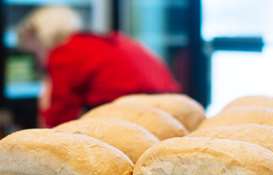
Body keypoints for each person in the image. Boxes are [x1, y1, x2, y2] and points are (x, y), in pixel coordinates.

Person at [18, 6, 181, 127]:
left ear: (39, 38)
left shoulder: (63, 53)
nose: (38, 62)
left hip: (133, 113)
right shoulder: (102, 41)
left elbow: (58, 124)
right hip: (173, 110)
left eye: (34, 53)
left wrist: (45, 101)